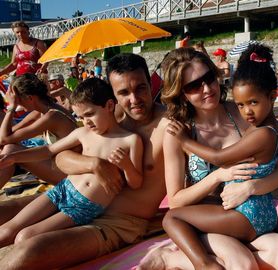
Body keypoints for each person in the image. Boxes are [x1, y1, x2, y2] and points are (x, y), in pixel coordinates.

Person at [0, 53, 168, 269]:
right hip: (71, 189)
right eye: (124, 92)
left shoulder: (168, 126)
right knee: (8, 211)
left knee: (28, 246)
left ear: (151, 83)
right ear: (113, 96)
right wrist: (94, 164)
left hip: (115, 220)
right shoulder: (104, 116)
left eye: (141, 88)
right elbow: (60, 157)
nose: (134, 100)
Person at [136, 47, 278, 270]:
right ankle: (174, 258)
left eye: (209, 78)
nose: (207, 89)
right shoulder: (179, 133)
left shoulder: (243, 112)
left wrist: (253, 187)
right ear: (181, 93)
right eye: (194, 86)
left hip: (246, 212)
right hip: (204, 222)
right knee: (243, 265)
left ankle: (174, 258)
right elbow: (175, 201)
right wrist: (218, 176)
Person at [0, 78, 143, 247]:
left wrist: (126, 165)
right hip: (63, 189)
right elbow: (49, 150)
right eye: (81, 117)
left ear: (110, 106)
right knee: (9, 229)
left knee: (25, 236)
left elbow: (136, 183)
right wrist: (16, 157)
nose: (87, 121)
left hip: (84, 205)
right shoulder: (83, 133)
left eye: (90, 114)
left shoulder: (130, 140)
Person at [0, 73, 78, 189]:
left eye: (18, 101)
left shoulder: (52, 116)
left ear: (30, 98)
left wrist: (10, 108)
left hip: (71, 174)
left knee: (10, 150)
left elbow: (4, 139)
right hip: (60, 166)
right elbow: (8, 135)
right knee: (9, 148)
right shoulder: (41, 112)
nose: (18, 106)